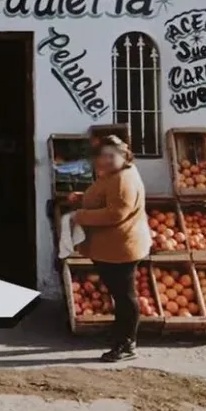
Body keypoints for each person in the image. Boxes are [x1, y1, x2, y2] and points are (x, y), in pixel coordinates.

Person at [67, 136, 151, 363]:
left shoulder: (124, 179)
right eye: (102, 155)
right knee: (119, 293)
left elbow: (115, 213)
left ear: (125, 156)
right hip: (112, 248)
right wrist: (84, 198)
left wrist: (80, 215)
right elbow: (107, 200)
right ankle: (121, 334)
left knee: (125, 296)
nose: (105, 159)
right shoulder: (115, 175)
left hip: (121, 248)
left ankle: (127, 344)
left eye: (111, 155)